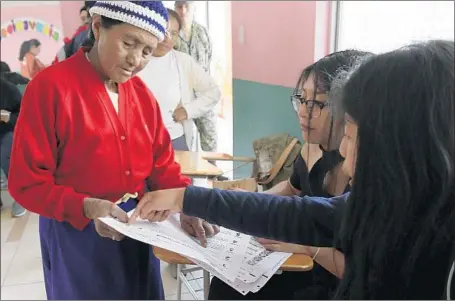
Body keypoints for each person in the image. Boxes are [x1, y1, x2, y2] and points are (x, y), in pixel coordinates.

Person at [131, 40, 455, 299]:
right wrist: (187, 198)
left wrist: (307, 247)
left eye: (353, 134)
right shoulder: (380, 199)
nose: (343, 147)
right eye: (302, 99)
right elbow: (292, 213)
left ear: (404, 146)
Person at [8, 1, 199, 299]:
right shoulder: (50, 89)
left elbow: (163, 168)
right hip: (77, 236)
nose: (135, 60)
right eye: (128, 43)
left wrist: (188, 204)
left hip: (135, 232)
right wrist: (86, 206)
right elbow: (27, 183)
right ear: (97, 27)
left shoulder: (142, 97)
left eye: (147, 51)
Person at [208, 50, 371, 300]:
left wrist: (308, 248)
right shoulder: (310, 148)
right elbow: (292, 188)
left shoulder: (365, 170)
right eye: (301, 100)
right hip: (300, 252)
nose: (304, 112)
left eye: (317, 103)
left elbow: (361, 271)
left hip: (333, 275)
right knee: (227, 282)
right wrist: (255, 202)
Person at [139, 8, 221, 152]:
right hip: (137, 142)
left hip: (173, 141)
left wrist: (188, 110)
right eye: (163, 31)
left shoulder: (183, 62)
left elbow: (213, 91)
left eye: (174, 33)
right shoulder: (133, 60)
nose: (167, 38)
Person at [174, 1, 220, 171]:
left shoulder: (202, 33)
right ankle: (189, 176)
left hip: (203, 97)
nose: (183, 10)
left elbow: (208, 60)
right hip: (182, 100)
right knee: (187, 142)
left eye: (186, 6)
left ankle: (212, 174)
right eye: (179, 6)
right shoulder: (171, 35)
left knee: (210, 137)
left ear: (193, 8)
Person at [0, 62, 28, 216]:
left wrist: (8, 117)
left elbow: (25, 117)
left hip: (7, 131)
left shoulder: (7, 89)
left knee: (8, 157)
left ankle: (20, 198)